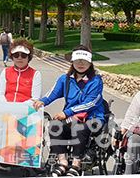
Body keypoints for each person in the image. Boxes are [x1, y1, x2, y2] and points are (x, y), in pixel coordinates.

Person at [33, 45, 106, 177]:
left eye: (85, 61)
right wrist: (42, 101)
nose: (81, 64)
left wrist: (67, 113)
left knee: (80, 127)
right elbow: (53, 93)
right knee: (54, 126)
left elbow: (91, 103)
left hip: (92, 118)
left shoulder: (96, 81)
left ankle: (76, 165)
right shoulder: (65, 79)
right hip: (71, 119)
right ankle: (63, 162)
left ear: (90, 62)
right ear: (72, 62)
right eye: (77, 60)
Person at [0, 39, 41, 103]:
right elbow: (0, 93)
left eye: (23, 55)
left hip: (25, 109)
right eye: (16, 55)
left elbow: (35, 97)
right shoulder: (5, 71)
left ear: (28, 57)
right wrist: (7, 105)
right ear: (12, 57)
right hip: (6, 108)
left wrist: (19, 107)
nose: (19, 58)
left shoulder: (36, 74)